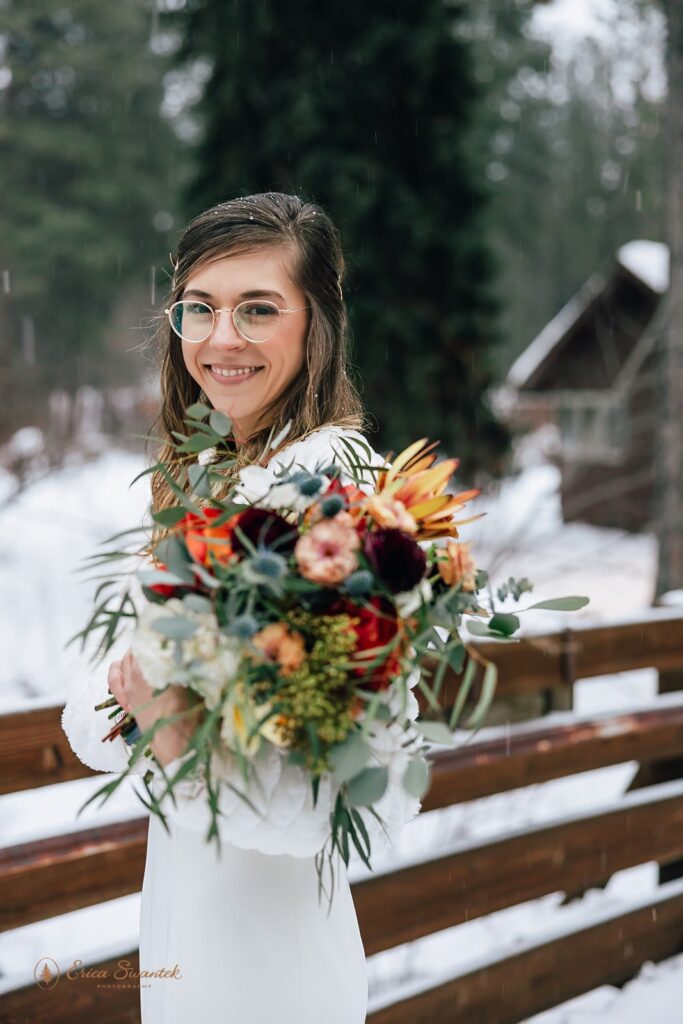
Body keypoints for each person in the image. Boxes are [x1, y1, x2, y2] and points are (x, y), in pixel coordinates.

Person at [62, 192, 397, 1023]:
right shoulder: (211, 482)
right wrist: (150, 709)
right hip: (189, 922)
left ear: (316, 324)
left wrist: (167, 724)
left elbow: (355, 796)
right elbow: (113, 708)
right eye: (199, 309)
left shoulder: (336, 508)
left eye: (258, 308)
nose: (220, 339)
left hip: (271, 957)